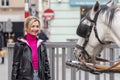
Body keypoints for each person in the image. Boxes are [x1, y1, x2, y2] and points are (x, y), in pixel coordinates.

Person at [11, 16, 51, 80]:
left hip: (39, 76)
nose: (35, 29)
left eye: (37, 26)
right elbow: (15, 65)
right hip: (24, 77)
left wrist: (48, 78)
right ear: (26, 28)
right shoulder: (20, 44)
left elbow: (46, 65)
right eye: (33, 26)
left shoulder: (41, 44)